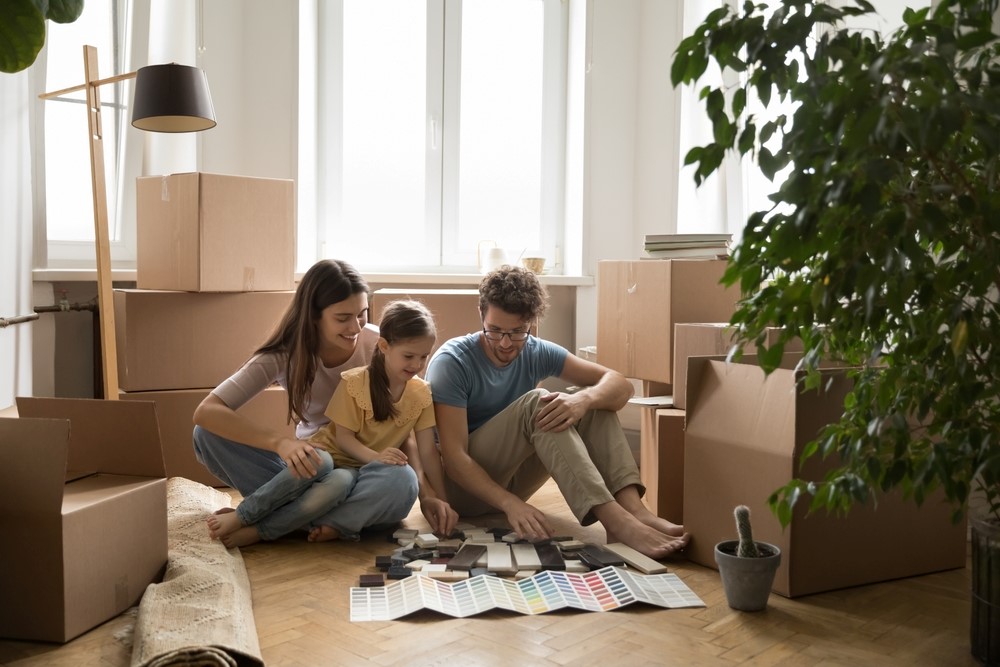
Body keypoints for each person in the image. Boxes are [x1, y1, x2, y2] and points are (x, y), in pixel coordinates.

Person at [425, 265, 690, 559]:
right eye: (495, 330)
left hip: (513, 479)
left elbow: (621, 386)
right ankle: (615, 520)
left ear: (533, 323)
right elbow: (454, 459)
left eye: (517, 333)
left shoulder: (537, 351)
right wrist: (511, 504)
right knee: (540, 401)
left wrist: (584, 401)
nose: (504, 343)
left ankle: (635, 513)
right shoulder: (453, 362)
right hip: (464, 492)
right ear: (481, 314)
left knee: (590, 402)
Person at [193, 259, 416, 547]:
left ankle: (271, 522)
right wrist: (280, 444)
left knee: (403, 483)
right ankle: (328, 521)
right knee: (207, 434)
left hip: (364, 468)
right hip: (310, 469)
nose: (356, 327)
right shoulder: (284, 354)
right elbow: (207, 412)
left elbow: (406, 419)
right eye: (342, 318)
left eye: (362, 314)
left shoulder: (379, 345)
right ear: (313, 315)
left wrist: (429, 490)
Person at [206, 299, 458, 546]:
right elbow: (343, 439)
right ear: (383, 346)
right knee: (330, 472)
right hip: (331, 461)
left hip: (363, 473)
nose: (417, 365)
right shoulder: (354, 382)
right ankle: (251, 518)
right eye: (409, 356)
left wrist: (441, 499)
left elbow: (426, 451)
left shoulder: (421, 393)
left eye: (424, 357)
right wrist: (375, 457)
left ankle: (275, 526)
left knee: (405, 480)